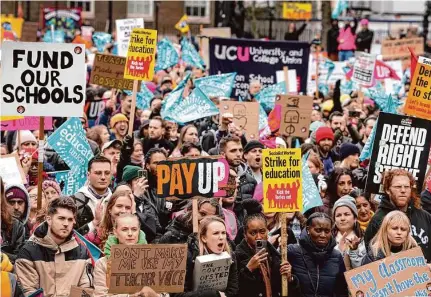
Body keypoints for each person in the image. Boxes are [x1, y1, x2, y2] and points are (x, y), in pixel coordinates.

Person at [15, 197, 92, 296]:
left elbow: (85, 289)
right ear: (49, 219)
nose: (66, 224)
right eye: (61, 218)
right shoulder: (28, 251)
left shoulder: (82, 251)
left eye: (70, 219)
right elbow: (30, 292)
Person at [364, 169, 431, 262]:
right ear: (387, 189)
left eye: (407, 187)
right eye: (398, 186)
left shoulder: (425, 216)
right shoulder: (378, 219)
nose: (403, 190)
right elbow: (371, 258)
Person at [172, 216, 238, 297]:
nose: (221, 237)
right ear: (204, 238)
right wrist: (213, 294)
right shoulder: (186, 256)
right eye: (216, 233)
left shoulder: (230, 256)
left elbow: (233, 290)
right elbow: (177, 295)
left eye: (223, 233)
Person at [93, 213, 156, 297]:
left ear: (139, 231)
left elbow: (165, 293)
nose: (130, 233)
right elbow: (100, 296)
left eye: (134, 229)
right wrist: (130, 296)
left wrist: (155, 295)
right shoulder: (102, 264)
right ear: (115, 232)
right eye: (124, 229)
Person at [235, 206, 293, 297]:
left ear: (267, 231)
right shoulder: (237, 257)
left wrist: (289, 278)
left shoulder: (277, 256)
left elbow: (291, 291)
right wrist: (248, 269)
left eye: (262, 232)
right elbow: (235, 291)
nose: (258, 237)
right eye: (253, 233)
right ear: (245, 234)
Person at [287, 212, 348, 297]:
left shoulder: (336, 256)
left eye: (327, 231)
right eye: (318, 230)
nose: (323, 235)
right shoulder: (292, 251)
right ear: (308, 230)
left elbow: (342, 291)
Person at [220, 136, 257, 223]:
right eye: (233, 151)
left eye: (240, 150)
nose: (238, 154)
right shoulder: (214, 177)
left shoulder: (250, 180)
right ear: (222, 154)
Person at [158, 198, 222, 244]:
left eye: (211, 217)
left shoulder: (219, 236)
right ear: (190, 210)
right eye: (202, 214)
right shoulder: (172, 236)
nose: (206, 219)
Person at [74, 155, 113, 231]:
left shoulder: (117, 200)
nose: (103, 177)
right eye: (98, 173)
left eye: (107, 173)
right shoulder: (74, 201)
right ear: (88, 175)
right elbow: (69, 237)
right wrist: (94, 223)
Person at [332, 196, 366, 270]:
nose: (342, 218)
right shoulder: (328, 240)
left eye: (347, 214)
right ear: (334, 220)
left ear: (355, 218)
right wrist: (339, 251)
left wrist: (354, 250)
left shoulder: (364, 239)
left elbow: (363, 269)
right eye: (338, 215)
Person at [1, 178, 25, 263]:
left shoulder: (16, 226)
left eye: (20, 202)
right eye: (11, 202)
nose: (16, 207)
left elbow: (20, 259)